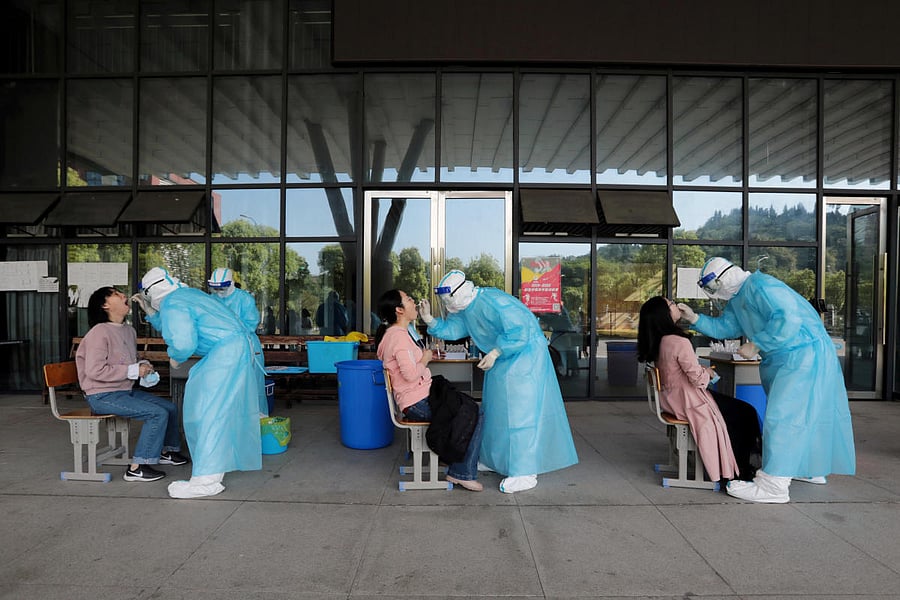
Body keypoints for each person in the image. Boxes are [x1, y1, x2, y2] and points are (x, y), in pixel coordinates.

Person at [678, 257, 856, 503]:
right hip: (791, 357)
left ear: (726, 277)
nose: (713, 293)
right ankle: (808, 467)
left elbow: (788, 317)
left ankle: (774, 485)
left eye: (712, 286)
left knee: (784, 417)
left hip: (801, 355)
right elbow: (725, 327)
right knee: (809, 414)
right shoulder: (738, 299)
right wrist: (695, 319)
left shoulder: (760, 286)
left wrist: (757, 343)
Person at [419, 270, 578, 493]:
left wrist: (496, 351)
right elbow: (455, 329)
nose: (447, 305)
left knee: (520, 415)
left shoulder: (493, 301)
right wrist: (430, 320)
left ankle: (524, 471)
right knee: (495, 413)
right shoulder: (465, 308)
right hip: (500, 361)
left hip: (524, 360)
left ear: (461, 292)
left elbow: (520, 330)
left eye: (448, 299)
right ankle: (495, 460)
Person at [131, 267, 262, 499]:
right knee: (218, 411)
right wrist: (152, 313)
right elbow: (180, 321)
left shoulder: (173, 303)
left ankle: (206, 480)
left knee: (208, 412)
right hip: (234, 350)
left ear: (152, 292)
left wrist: (175, 355)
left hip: (226, 353)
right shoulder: (188, 295)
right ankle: (212, 472)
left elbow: (183, 340)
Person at [637, 296, 760, 484]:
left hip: (672, 399)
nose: (676, 305)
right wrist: (708, 373)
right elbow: (697, 380)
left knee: (737, 411)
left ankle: (740, 464)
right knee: (744, 413)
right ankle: (739, 470)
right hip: (689, 401)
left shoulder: (660, 341)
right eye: (671, 303)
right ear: (664, 314)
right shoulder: (678, 341)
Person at [75, 286, 189, 483]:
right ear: (105, 305)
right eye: (115, 294)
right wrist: (134, 371)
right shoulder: (98, 333)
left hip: (123, 391)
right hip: (101, 396)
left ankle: (168, 451)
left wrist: (143, 365)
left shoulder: (129, 330)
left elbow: (131, 359)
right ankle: (138, 467)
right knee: (156, 413)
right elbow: (94, 371)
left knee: (168, 407)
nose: (123, 295)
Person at [375, 289, 485, 491]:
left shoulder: (397, 334)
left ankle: (451, 459)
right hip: (416, 402)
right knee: (475, 410)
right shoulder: (398, 337)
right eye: (409, 299)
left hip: (419, 396)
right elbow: (410, 375)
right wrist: (425, 358)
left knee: (467, 404)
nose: (413, 301)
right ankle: (462, 472)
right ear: (399, 310)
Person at [208, 267, 268, 416]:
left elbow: (251, 324)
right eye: (216, 288)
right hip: (222, 349)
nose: (219, 291)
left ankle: (256, 424)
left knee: (251, 389)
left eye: (222, 287)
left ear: (232, 283)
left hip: (247, 348)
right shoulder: (212, 299)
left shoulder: (244, 299)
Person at [207, 267, 260, 333]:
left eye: (222, 289)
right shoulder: (211, 299)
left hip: (240, 341)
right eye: (215, 289)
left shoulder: (245, 299)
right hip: (215, 341)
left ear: (231, 284)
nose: (218, 292)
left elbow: (250, 325)